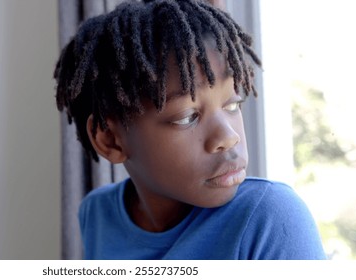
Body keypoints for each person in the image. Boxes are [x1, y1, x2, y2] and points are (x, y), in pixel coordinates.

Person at [53, 0, 326, 259]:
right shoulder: (97, 214)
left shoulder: (269, 218)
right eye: (187, 117)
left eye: (232, 104)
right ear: (110, 140)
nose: (228, 137)